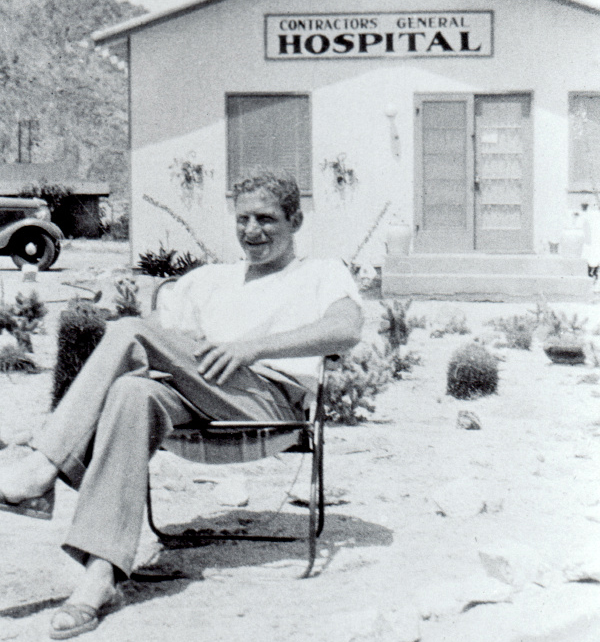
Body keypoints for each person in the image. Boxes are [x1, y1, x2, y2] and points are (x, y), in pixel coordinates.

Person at [0, 169, 363, 639]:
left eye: (267, 219)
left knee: (129, 332)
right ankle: (100, 577)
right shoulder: (213, 278)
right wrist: (174, 333)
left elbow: (347, 329)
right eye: (244, 218)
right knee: (133, 391)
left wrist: (255, 347)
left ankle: (41, 470)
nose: (252, 231)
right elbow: (156, 326)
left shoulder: (319, 272)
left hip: (269, 404)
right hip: (202, 398)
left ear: (294, 220)